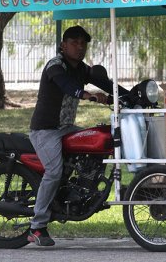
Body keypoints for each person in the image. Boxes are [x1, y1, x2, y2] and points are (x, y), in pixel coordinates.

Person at [27, 25, 121, 246]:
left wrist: (129, 95)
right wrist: (87, 94)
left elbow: (106, 84)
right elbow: (66, 85)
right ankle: (37, 226)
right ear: (63, 45)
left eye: (83, 43)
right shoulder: (55, 66)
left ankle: (78, 194)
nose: (80, 47)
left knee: (95, 144)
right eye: (75, 42)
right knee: (54, 171)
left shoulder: (81, 69)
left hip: (65, 128)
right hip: (45, 130)